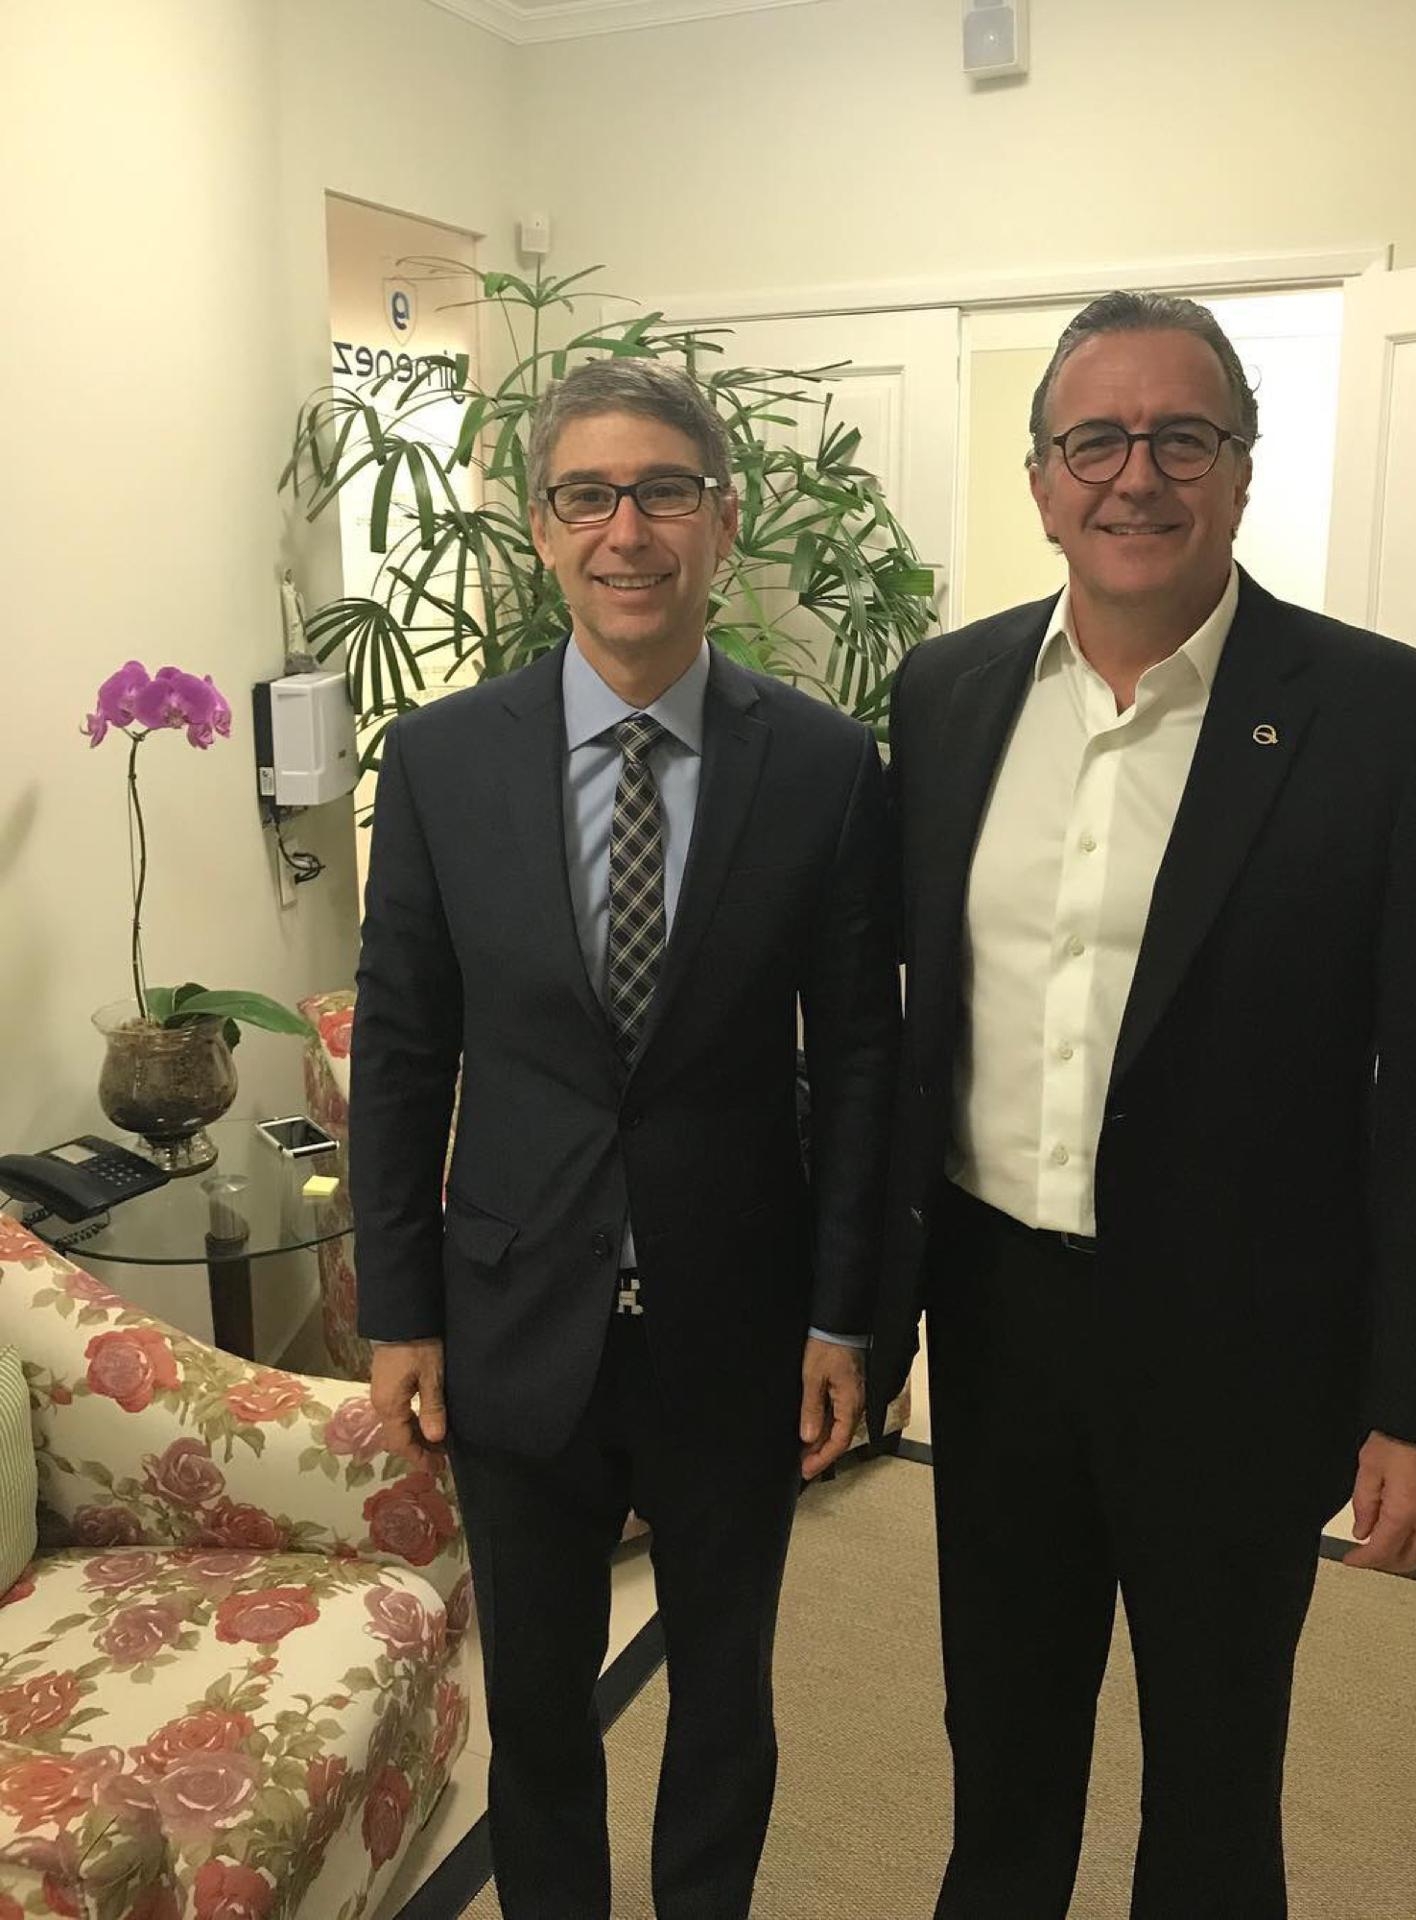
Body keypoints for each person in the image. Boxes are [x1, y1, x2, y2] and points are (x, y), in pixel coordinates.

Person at [866, 291, 1416, 1918]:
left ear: (1239, 469)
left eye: (1182, 437)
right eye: (1094, 440)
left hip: (1243, 1348)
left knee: (1216, 1777)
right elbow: (900, 1033)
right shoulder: (944, 697)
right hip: (996, 1324)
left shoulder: (1387, 716)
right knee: (999, 1741)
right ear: (1040, 480)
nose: (1135, 476)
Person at [351, 359, 899, 1919]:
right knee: (536, 1704)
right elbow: (403, 1049)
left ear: (721, 519)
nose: (626, 530)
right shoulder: (444, 760)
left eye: (664, 490)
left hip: (736, 1323)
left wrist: (842, 1316)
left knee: (723, 1694)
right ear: (542, 528)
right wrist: (399, 1310)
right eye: (586, 495)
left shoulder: (821, 765)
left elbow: (862, 1061)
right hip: (513, 1314)